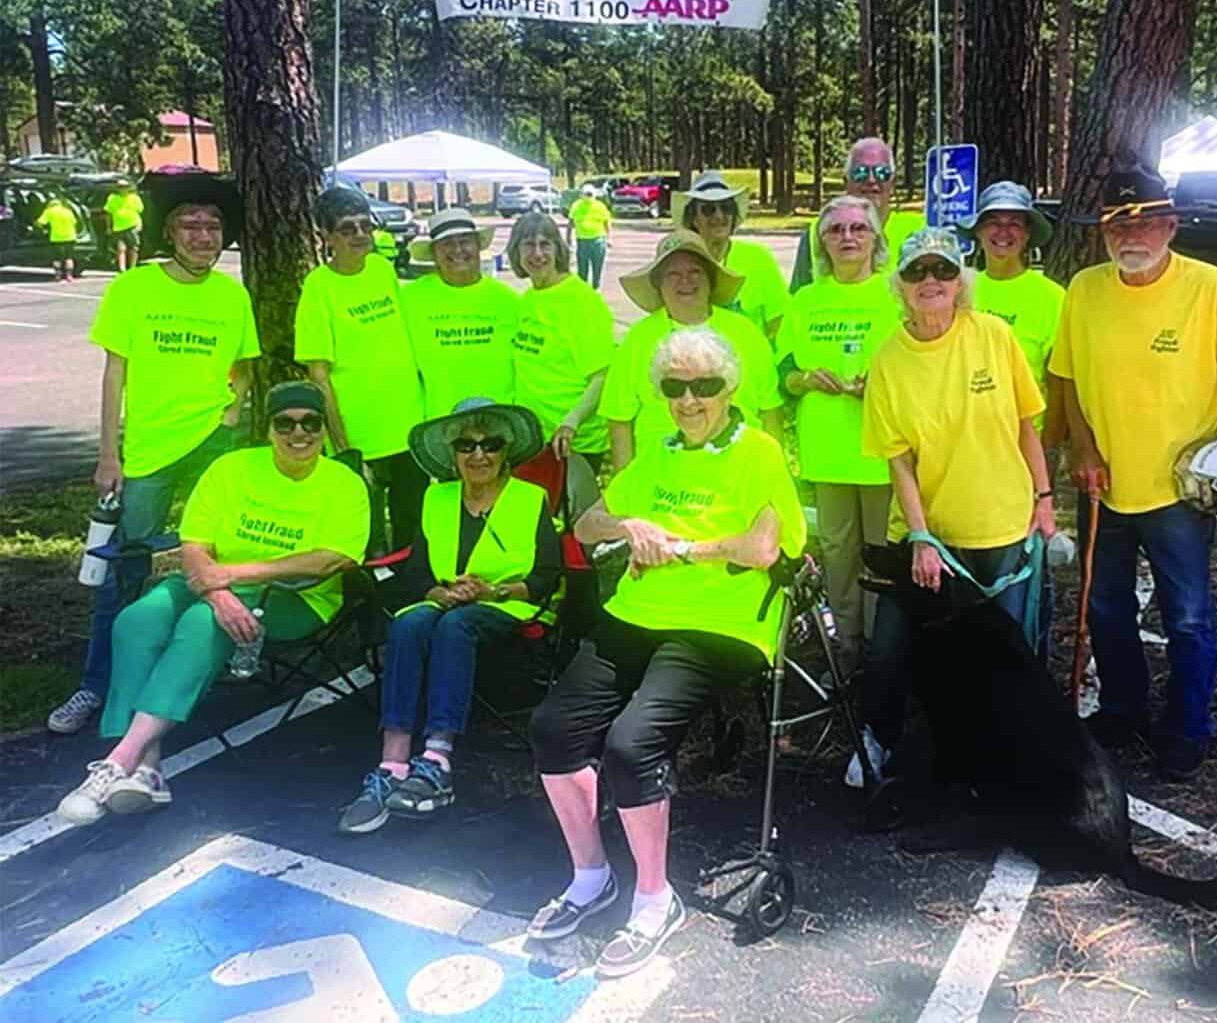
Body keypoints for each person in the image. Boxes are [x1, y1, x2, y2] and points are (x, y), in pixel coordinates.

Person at [527, 327, 806, 978]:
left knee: (631, 742)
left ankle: (655, 900)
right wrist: (630, 526)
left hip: (720, 621)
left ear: (728, 388)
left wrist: (679, 547)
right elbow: (589, 520)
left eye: (703, 386)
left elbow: (762, 548)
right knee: (553, 727)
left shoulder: (757, 452)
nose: (689, 399)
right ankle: (590, 876)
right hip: (637, 610)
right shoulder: (656, 453)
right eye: (675, 387)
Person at [1050, 164, 1217, 781]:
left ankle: (1187, 727)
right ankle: (1123, 708)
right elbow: (1068, 379)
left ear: (1170, 225)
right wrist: (1080, 450)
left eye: (1142, 223)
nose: (1128, 236)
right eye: (1116, 225)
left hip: (1180, 487)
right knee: (1105, 607)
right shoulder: (1084, 289)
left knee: (1186, 615)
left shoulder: (1210, 288)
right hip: (1103, 483)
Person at [57, 381, 369, 826]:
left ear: (323, 429)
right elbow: (194, 544)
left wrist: (230, 578)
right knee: (137, 620)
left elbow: (329, 561)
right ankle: (148, 769)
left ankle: (117, 762)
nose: (298, 433)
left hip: (295, 597)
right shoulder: (231, 468)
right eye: (285, 422)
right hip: (215, 582)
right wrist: (218, 589)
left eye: (310, 423)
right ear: (268, 428)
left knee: (202, 625)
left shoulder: (343, 482)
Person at [48, 175, 259, 738]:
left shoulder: (232, 295)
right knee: (127, 570)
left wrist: (233, 412)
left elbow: (244, 365)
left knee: (225, 556)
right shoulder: (133, 289)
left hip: (214, 446)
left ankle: (220, 660)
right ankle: (99, 683)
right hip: (147, 452)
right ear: (169, 230)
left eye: (213, 226)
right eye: (191, 223)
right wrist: (108, 453)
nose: (203, 235)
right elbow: (114, 372)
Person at [858, 227, 1057, 784]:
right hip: (933, 533)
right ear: (899, 284)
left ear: (960, 280)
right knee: (891, 648)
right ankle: (878, 738)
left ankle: (1000, 756)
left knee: (1004, 653)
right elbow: (898, 460)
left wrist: (1044, 501)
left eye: (943, 271)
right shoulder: (889, 361)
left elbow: (1026, 427)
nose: (931, 282)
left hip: (1006, 525)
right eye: (918, 272)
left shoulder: (993, 334)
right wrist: (920, 537)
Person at [339, 399, 560, 833]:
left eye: (490, 444)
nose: (478, 455)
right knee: (408, 622)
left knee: (457, 626)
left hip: (506, 604)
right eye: (466, 446)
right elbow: (418, 566)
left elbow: (546, 577)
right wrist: (437, 591)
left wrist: (491, 590)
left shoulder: (530, 499)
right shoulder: (435, 498)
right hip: (445, 600)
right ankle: (392, 762)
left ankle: (437, 758)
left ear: (505, 452)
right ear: (453, 453)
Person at [775, 194, 898, 682]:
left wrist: (882, 383)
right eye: (836, 230)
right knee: (839, 556)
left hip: (882, 452)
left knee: (881, 556)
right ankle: (848, 649)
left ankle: (883, 650)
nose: (848, 238)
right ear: (821, 243)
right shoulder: (806, 299)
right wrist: (805, 379)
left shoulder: (894, 293)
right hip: (826, 452)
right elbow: (782, 374)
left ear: (875, 238)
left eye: (858, 229)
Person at [295, 186, 428, 552]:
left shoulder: (383, 270)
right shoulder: (318, 287)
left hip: (408, 428)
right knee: (366, 540)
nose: (359, 235)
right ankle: (367, 606)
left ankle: (408, 601)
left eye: (364, 226)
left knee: (412, 529)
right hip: (359, 436)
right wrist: (342, 445)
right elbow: (318, 374)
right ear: (326, 236)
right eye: (347, 228)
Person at [598, 230, 782, 470]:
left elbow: (771, 412)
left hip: (740, 473)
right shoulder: (638, 338)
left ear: (711, 280)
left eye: (695, 272)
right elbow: (619, 420)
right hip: (661, 476)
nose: (685, 281)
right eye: (673, 274)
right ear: (658, 285)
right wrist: (623, 489)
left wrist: (777, 477)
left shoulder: (745, 331)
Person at [508, 210, 614, 469]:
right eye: (528, 245)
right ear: (516, 252)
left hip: (572, 444)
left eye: (545, 244)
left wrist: (571, 423)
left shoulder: (581, 301)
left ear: (559, 249)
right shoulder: (529, 299)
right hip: (536, 439)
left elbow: (601, 377)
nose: (537, 254)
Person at [968, 181, 1066, 439]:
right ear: (978, 230)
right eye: (993, 222)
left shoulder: (1051, 296)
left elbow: (1059, 382)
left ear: (1027, 235)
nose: (1003, 232)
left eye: (1014, 223)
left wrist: (1050, 445)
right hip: (964, 436)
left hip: (1025, 437)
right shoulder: (958, 290)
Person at [401, 208, 518, 417]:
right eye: (447, 244)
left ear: (478, 246)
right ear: (434, 254)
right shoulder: (408, 299)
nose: (457, 250)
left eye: (465, 241)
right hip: (438, 425)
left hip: (499, 424)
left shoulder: (508, 300)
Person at [789, 137, 925, 291]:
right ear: (845, 181)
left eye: (882, 173)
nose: (871, 180)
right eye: (860, 172)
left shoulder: (918, 230)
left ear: (892, 182)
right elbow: (798, 298)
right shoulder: (817, 232)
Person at [674, 170, 787, 340]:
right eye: (708, 209)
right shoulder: (680, 265)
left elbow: (780, 323)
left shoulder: (758, 259)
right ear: (694, 219)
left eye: (726, 208)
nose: (719, 215)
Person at [568, 184, 612, 289]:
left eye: (590, 194)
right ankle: (583, 292)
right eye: (586, 194)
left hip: (598, 241)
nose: (588, 196)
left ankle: (596, 289)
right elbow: (570, 223)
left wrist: (609, 238)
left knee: (597, 269)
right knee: (582, 270)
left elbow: (607, 223)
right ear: (581, 195)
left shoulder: (600, 206)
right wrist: (568, 239)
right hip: (582, 241)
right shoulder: (576, 206)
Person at [104, 178, 145, 273]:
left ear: (128, 188)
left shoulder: (135, 198)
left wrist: (139, 225)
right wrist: (108, 227)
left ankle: (132, 268)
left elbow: (139, 212)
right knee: (121, 248)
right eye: (120, 187)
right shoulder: (112, 198)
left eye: (124, 187)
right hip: (118, 227)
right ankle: (122, 269)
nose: (122, 189)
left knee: (134, 248)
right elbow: (108, 214)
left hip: (132, 226)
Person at [39, 191, 80, 282]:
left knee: (57, 258)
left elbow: (40, 223)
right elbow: (75, 222)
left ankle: (58, 275)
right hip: (70, 237)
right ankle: (69, 276)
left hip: (56, 238)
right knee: (69, 257)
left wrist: (43, 230)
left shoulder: (49, 211)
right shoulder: (68, 211)